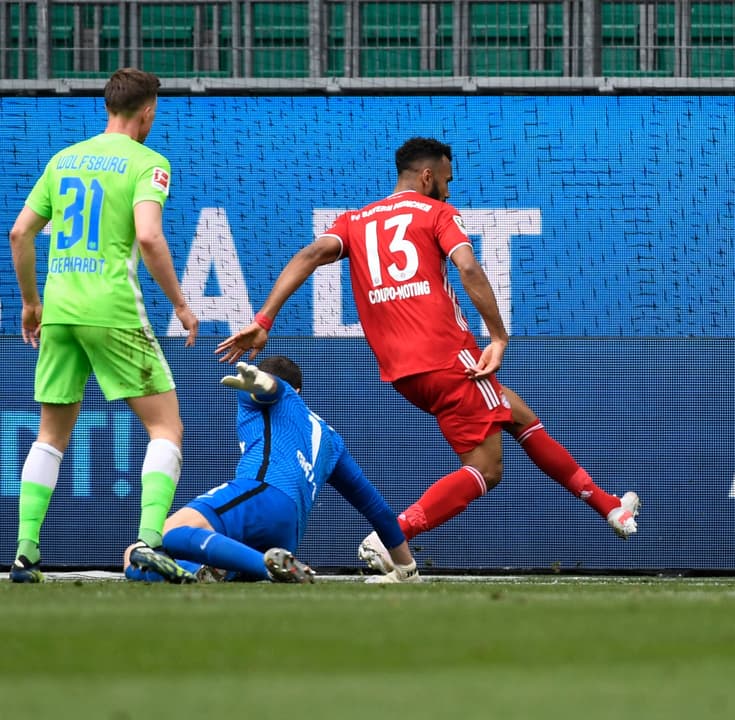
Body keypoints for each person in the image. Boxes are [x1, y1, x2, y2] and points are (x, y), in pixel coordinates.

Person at [215, 137, 639, 575]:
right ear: (427, 176)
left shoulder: (355, 221)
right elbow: (469, 267)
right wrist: (497, 336)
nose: (450, 192)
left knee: (517, 415)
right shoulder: (436, 213)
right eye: (447, 181)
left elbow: (309, 255)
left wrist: (263, 321)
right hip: (448, 357)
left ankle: (609, 507)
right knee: (487, 469)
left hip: (404, 373)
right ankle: (391, 536)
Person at [7, 68, 199, 583]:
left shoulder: (63, 160)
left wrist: (32, 304)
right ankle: (149, 542)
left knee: (50, 435)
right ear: (148, 110)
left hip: (60, 310)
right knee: (166, 428)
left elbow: (20, 233)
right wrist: (181, 304)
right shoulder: (149, 162)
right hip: (112, 309)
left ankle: (25, 554)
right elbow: (150, 238)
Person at [124, 356, 420, 584]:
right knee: (153, 563)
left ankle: (262, 566)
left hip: (261, 492)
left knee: (161, 537)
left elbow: (271, 392)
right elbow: (376, 507)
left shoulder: (258, 393)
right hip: (288, 533)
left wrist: (266, 384)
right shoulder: (331, 439)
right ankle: (216, 568)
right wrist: (406, 568)